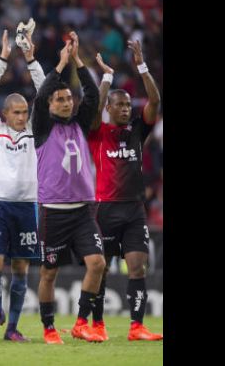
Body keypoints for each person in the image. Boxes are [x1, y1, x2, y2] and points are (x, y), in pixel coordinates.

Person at [87, 41, 163, 341]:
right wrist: (106, 78)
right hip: (105, 208)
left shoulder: (137, 131)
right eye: (119, 105)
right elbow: (93, 110)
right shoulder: (98, 132)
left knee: (137, 267)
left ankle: (136, 327)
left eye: (128, 105)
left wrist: (141, 65)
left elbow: (155, 101)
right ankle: (97, 324)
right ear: (109, 108)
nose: (125, 109)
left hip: (133, 209)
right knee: (102, 269)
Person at [32, 32, 105, 344]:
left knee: (97, 264)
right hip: (53, 211)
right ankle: (49, 328)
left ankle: (81, 323)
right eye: (59, 99)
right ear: (50, 104)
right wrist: (61, 65)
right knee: (49, 273)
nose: (66, 103)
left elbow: (92, 95)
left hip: (83, 211)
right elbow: (39, 98)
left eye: (68, 99)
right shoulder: (42, 127)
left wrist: (77, 61)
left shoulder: (79, 124)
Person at [0, 30, 45, 342]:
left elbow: (45, 92)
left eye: (25, 112)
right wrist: (3, 58)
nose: (22, 116)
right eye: (16, 112)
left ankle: (12, 328)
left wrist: (30, 59)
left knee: (20, 269)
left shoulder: (34, 131)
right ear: (4, 114)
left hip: (27, 206)